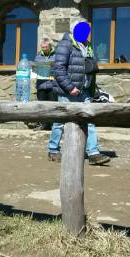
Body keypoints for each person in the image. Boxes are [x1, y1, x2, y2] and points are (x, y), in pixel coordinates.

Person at [46, 19, 108, 165]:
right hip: (68, 92)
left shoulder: (87, 46)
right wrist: (70, 87)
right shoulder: (65, 44)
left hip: (85, 91)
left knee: (89, 121)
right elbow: (58, 69)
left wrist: (91, 87)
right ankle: (53, 149)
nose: (86, 33)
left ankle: (93, 153)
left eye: (87, 30)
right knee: (60, 122)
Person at [31, 37, 56, 130]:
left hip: (52, 84)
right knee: (42, 106)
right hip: (41, 85)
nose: (44, 49)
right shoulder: (38, 56)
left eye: (45, 47)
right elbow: (35, 69)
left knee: (53, 106)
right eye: (42, 47)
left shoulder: (56, 55)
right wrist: (33, 68)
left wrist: (51, 68)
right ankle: (44, 124)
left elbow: (60, 67)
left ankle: (53, 125)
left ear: (50, 46)